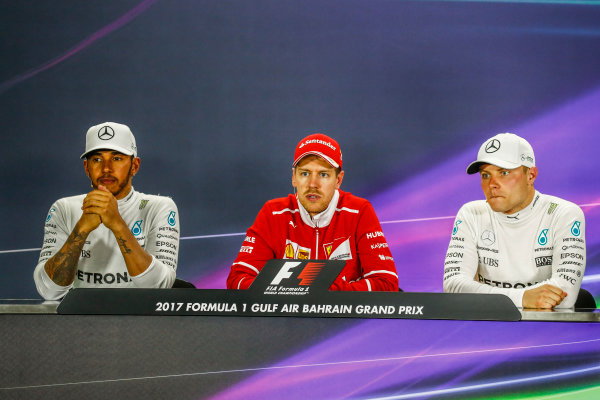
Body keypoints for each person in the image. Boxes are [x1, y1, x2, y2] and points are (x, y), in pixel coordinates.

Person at [227, 133, 399, 291]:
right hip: (283, 323)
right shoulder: (273, 213)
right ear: (294, 177)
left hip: (343, 324)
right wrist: (293, 291)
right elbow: (237, 280)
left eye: (323, 175)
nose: (312, 184)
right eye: (305, 173)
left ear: (338, 180)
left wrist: (326, 293)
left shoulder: (358, 211)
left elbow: (386, 283)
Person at [34, 122, 180, 300]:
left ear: (134, 166)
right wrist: (82, 228)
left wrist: (117, 223)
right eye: (97, 159)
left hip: (140, 323)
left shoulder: (159, 207)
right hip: (78, 324)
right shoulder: (64, 208)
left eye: (117, 158)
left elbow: (159, 287)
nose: (106, 168)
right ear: (87, 168)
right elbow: (49, 292)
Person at [443, 133, 586, 308]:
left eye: (504, 173)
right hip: (486, 328)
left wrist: (487, 296)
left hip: (545, 331)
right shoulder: (471, 213)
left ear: (531, 175)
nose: (492, 184)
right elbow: (453, 286)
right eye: (485, 175)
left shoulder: (564, 214)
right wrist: (523, 298)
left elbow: (565, 297)